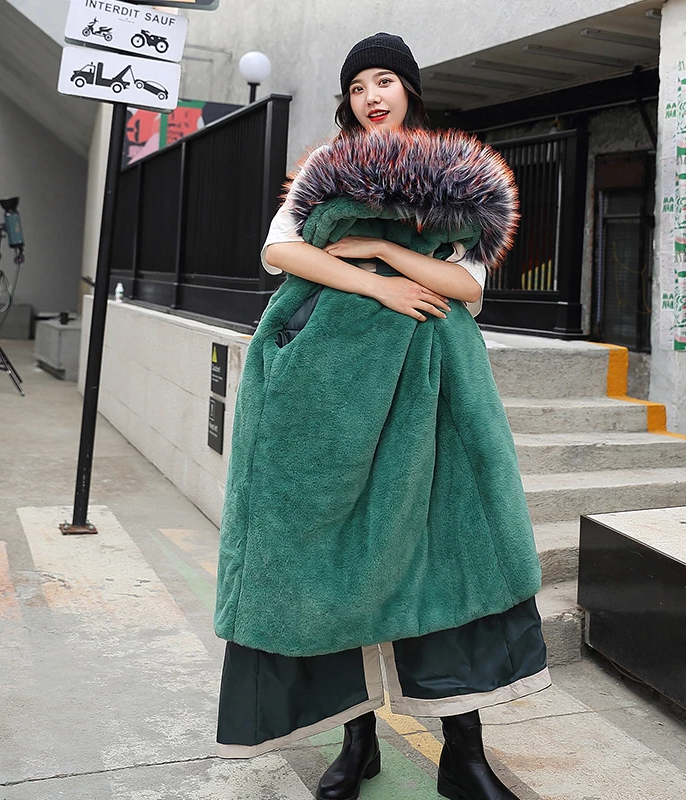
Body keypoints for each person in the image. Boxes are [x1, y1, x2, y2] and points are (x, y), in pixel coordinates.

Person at [214, 33, 550, 800]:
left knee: (449, 548)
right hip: (332, 389)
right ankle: (356, 740)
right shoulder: (325, 167)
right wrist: (373, 284)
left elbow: (467, 286)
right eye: (359, 84)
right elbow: (279, 251)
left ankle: (465, 756)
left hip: (435, 387)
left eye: (386, 80)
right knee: (337, 557)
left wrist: (385, 254)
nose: (372, 95)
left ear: (410, 91)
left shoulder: (460, 171)